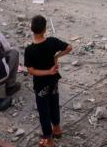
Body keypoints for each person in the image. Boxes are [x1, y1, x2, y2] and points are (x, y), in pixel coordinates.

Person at [24, 15, 72, 145]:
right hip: (53, 82)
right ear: (45, 29)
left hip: (40, 86)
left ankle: (48, 140)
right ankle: (57, 129)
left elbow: (31, 70)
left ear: (32, 29)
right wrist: (57, 56)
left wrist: (47, 72)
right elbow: (69, 47)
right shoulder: (52, 42)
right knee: (54, 104)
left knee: (43, 111)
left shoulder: (29, 50)